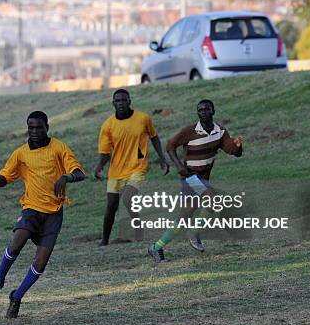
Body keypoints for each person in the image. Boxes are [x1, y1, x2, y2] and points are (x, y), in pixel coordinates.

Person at [0, 111, 85, 318]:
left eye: (39, 127)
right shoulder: (21, 153)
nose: (34, 131)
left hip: (53, 214)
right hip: (31, 208)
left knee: (41, 262)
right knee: (17, 241)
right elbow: (5, 177)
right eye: (31, 127)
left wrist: (66, 177)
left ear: (47, 127)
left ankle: (16, 297)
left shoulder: (59, 148)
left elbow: (80, 173)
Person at [147, 99, 243, 262]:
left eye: (207, 109)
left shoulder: (220, 131)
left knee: (184, 216)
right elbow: (170, 146)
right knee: (214, 201)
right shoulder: (190, 131)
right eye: (200, 110)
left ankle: (156, 247)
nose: (203, 112)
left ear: (213, 111)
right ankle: (195, 232)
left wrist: (238, 145)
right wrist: (178, 166)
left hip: (203, 179)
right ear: (197, 113)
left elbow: (232, 151)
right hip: (190, 176)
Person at [95, 89, 169, 246]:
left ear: (129, 101)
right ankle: (105, 240)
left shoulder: (143, 118)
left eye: (123, 100)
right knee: (111, 206)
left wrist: (162, 159)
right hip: (116, 171)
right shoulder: (108, 125)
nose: (121, 103)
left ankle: (138, 232)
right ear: (113, 103)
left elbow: (154, 137)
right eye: (117, 101)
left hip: (137, 167)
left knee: (128, 198)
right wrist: (100, 165)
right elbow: (105, 152)